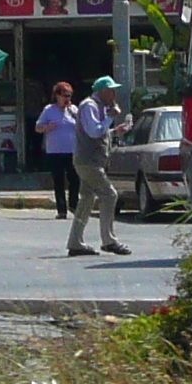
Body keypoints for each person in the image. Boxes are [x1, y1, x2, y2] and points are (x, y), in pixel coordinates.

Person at [68, 75, 131, 256]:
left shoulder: (98, 107)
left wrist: (114, 132)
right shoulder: (89, 106)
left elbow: (98, 132)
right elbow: (93, 131)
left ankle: (75, 242)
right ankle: (109, 240)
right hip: (89, 162)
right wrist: (110, 118)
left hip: (90, 161)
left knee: (86, 200)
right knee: (110, 195)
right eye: (111, 90)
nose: (114, 94)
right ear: (102, 91)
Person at [32, 79, 81, 218]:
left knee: (74, 179)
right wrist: (48, 127)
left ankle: (74, 205)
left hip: (72, 150)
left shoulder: (73, 110)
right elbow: (37, 127)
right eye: (65, 96)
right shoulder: (49, 110)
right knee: (59, 180)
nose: (67, 99)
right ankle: (61, 210)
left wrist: (74, 114)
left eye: (69, 96)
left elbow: (82, 126)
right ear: (57, 96)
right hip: (55, 151)